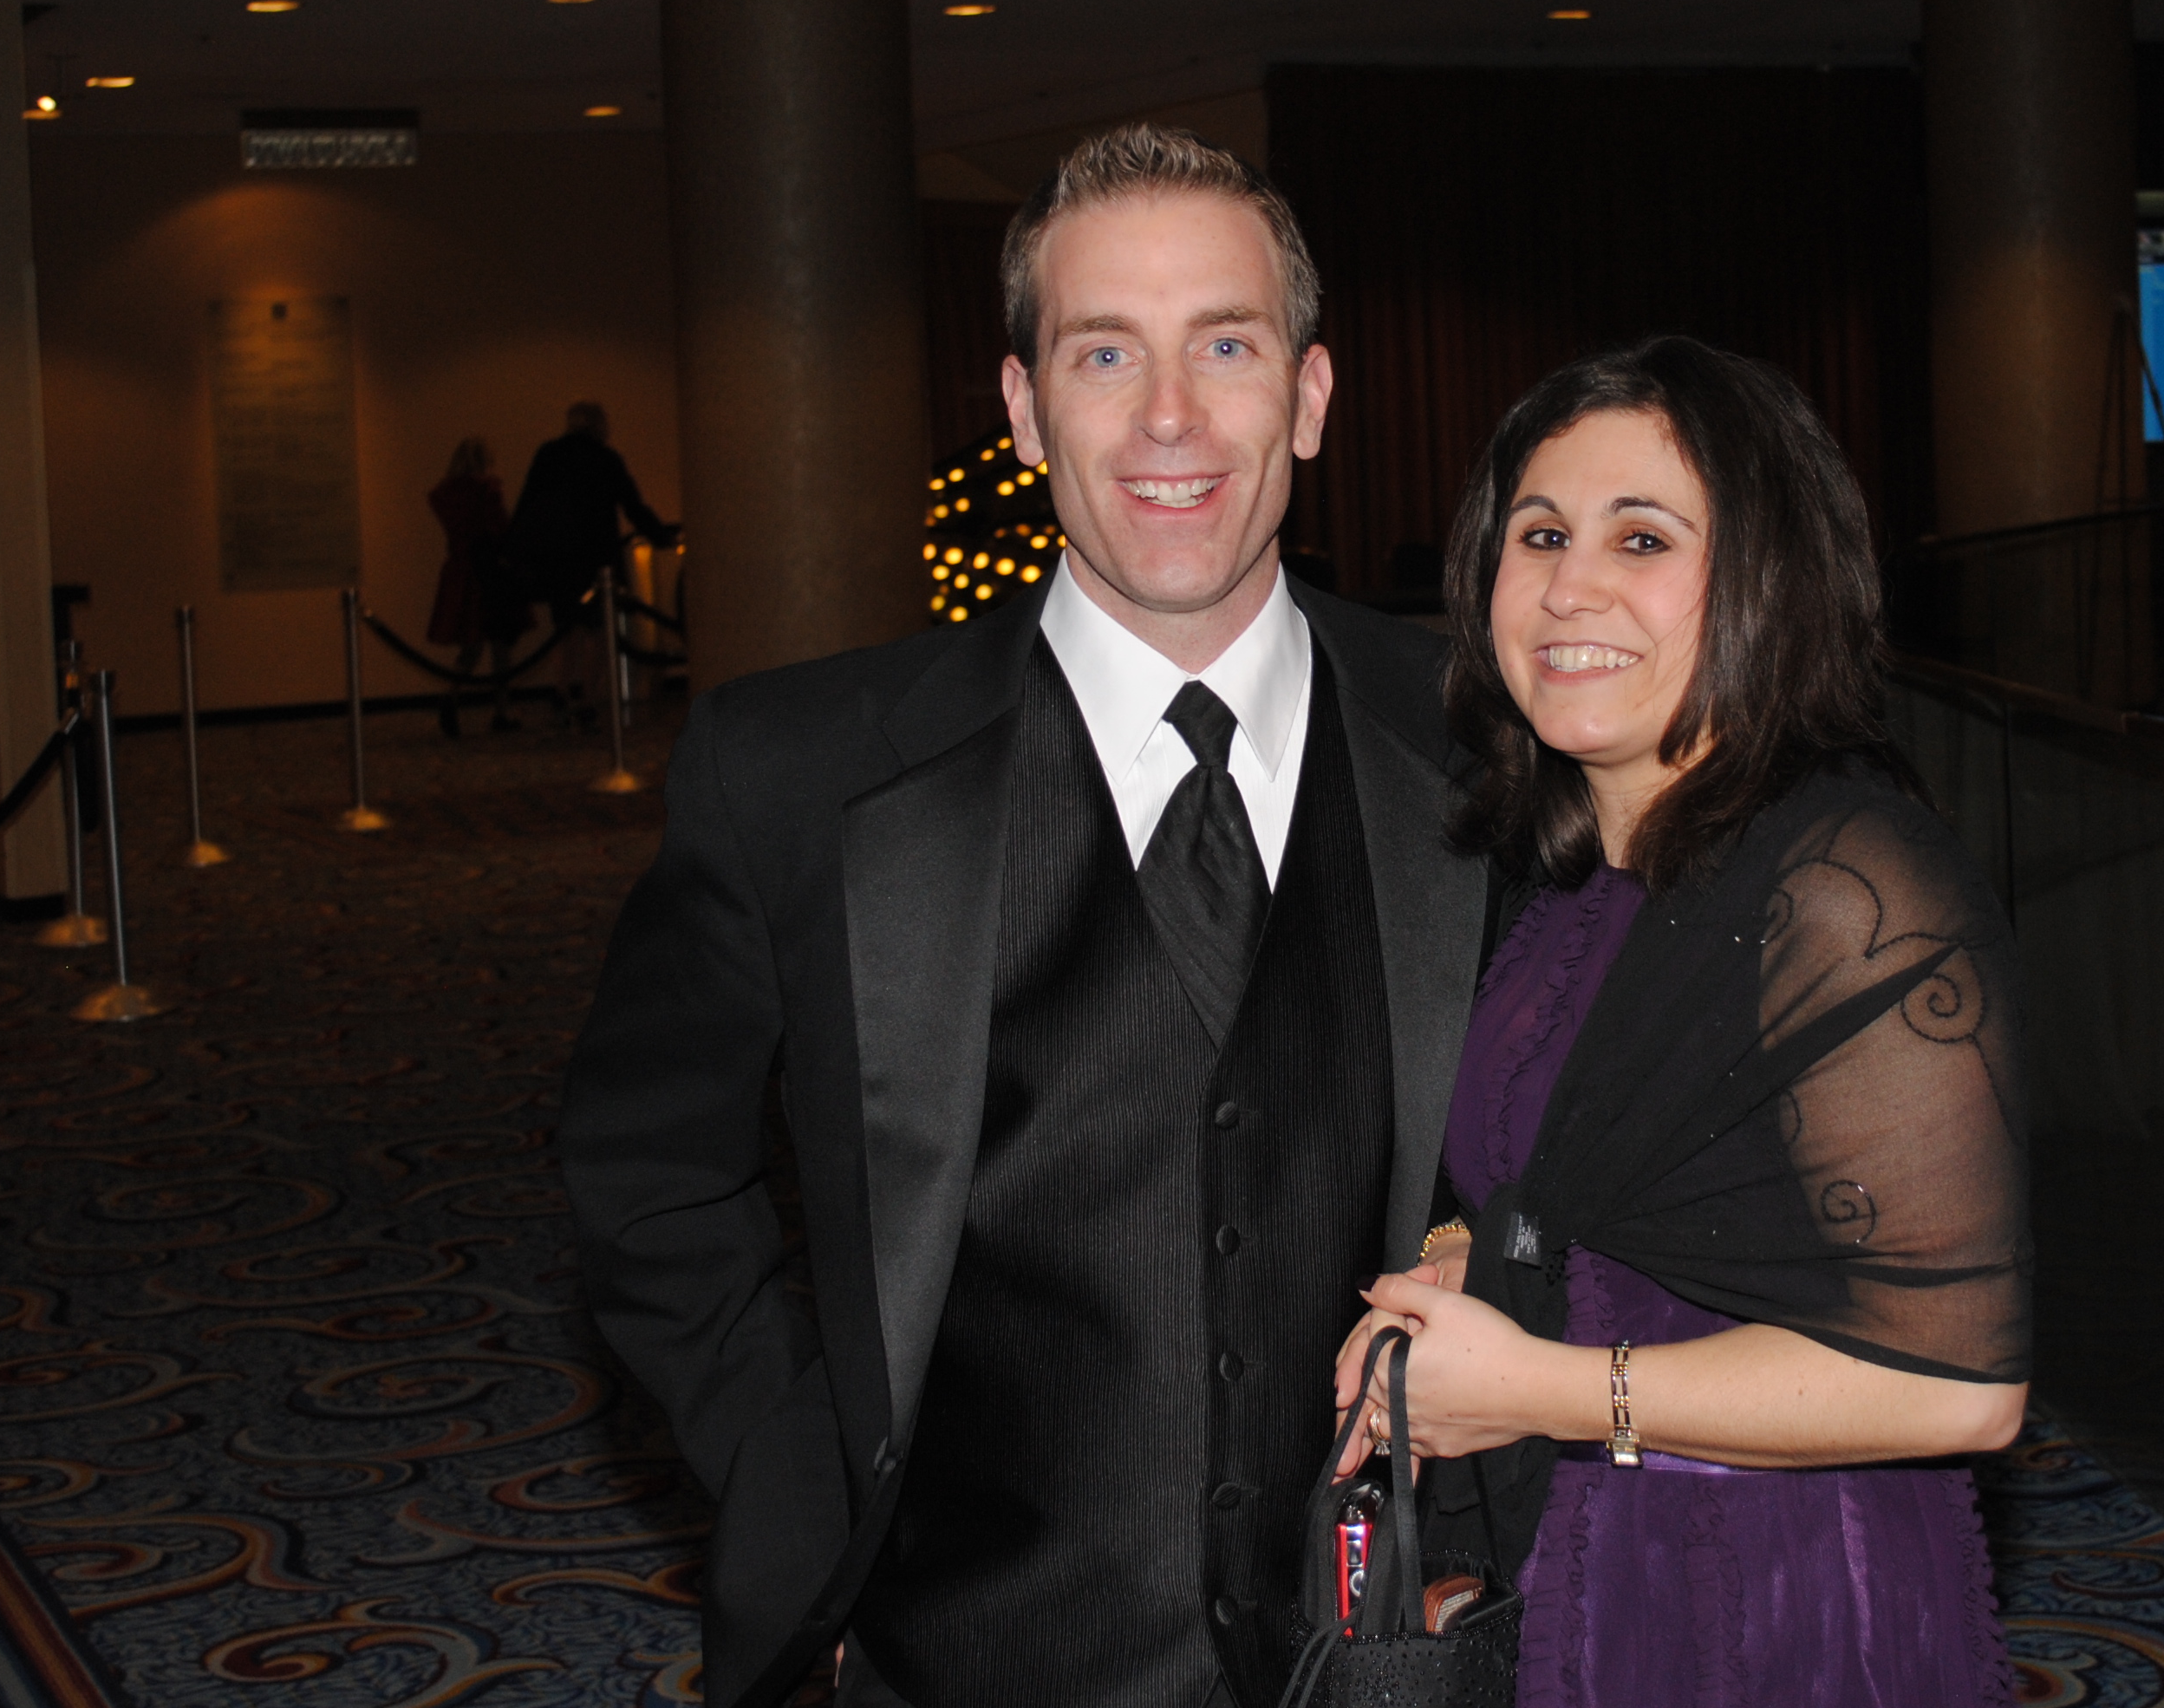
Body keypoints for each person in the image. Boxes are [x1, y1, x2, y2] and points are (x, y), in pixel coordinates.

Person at [560, 125, 1493, 1708]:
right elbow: (647, 1178)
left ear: (1311, 394)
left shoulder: (1485, 745)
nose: (1169, 415)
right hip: (965, 1658)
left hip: (1395, 1647)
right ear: (1022, 406)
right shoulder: (798, 771)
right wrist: (812, 1509)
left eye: (1225, 345)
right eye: (1104, 352)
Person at [1331, 337, 2029, 1708]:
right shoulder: (1574, 874)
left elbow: (1960, 1390)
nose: (1569, 585)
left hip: (1777, 1591)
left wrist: (1539, 1390)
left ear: (1769, 577)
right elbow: (1598, 1180)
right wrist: (1467, 1257)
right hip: (1583, 1541)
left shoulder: (1847, 884)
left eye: (1641, 537)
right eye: (1540, 534)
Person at [503, 401, 669, 727]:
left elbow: (528, 502)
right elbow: (632, 504)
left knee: (564, 629)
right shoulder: (605, 458)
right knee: (597, 630)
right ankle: (588, 698)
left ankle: (561, 691)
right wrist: (661, 535)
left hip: (557, 558)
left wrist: (514, 549)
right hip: (596, 558)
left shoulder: (549, 455)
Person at [427, 437, 527, 737]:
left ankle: (451, 696)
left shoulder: (444, 494)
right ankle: (502, 710)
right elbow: (501, 528)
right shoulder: (487, 490)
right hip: (490, 570)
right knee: (500, 644)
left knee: (471, 646)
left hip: (460, 569)